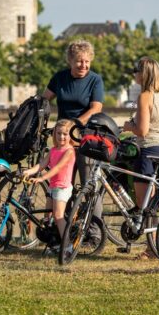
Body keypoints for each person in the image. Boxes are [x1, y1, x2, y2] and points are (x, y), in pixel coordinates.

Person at [43, 40, 105, 242]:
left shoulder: (95, 80)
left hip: (85, 141)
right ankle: (65, 232)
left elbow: (96, 108)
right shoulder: (60, 78)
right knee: (63, 186)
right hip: (64, 144)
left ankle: (94, 234)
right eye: (79, 61)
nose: (84, 66)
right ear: (70, 61)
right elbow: (44, 100)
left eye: (87, 62)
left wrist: (74, 124)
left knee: (89, 186)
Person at [122, 56, 159, 209]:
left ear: (143, 74)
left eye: (136, 71)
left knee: (143, 204)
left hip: (148, 150)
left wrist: (128, 126)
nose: (134, 74)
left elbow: (142, 131)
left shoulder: (145, 97)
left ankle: (147, 229)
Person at [23, 119, 76, 245]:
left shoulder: (69, 151)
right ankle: (54, 241)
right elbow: (41, 164)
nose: (61, 137)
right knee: (48, 216)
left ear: (71, 135)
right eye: (58, 133)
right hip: (52, 187)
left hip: (62, 187)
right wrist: (29, 171)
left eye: (65, 134)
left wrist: (42, 178)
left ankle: (67, 245)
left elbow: (57, 167)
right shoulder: (53, 150)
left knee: (58, 216)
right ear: (54, 134)